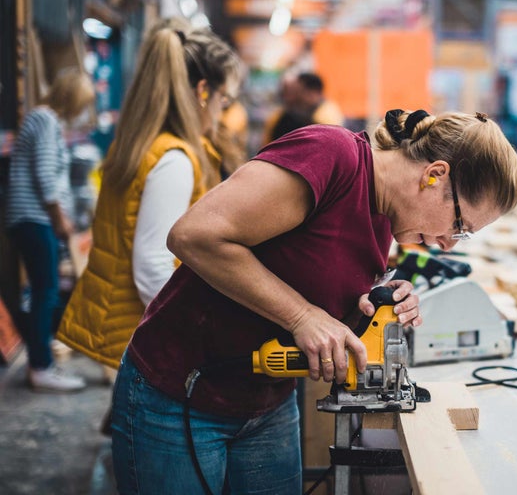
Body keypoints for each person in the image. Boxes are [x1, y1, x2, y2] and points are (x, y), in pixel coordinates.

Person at [110, 109, 517, 493]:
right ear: (434, 174)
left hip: (266, 404)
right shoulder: (331, 157)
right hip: (178, 395)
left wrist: (379, 299)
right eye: (459, 225)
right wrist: (301, 315)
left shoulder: (387, 216)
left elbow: (312, 266)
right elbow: (194, 235)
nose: (449, 245)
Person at [56, 28, 242, 373]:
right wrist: (195, 336)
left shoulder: (145, 145)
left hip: (132, 328)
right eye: (224, 101)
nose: (222, 113)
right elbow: (153, 266)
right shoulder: (173, 159)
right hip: (148, 338)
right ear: (203, 92)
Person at [4, 68, 95, 391]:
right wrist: (60, 218)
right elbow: (45, 175)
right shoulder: (45, 119)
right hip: (34, 218)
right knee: (46, 290)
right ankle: (41, 367)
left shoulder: (45, 120)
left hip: (33, 218)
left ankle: (42, 362)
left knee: (45, 289)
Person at [262, 71, 345, 144]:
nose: (291, 96)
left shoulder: (326, 119)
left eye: (297, 91)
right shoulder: (281, 115)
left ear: (312, 93)